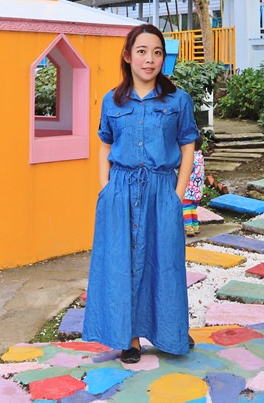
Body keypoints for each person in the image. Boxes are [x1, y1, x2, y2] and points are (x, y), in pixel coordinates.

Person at [82, 23, 199, 364]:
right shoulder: (112, 101)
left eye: (157, 52)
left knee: (165, 262)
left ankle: (170, 331)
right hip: (120, 189)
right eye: (142, 51)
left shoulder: (179, 100)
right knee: (121, 263)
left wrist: (177, 193)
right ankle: (129, 339)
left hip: (162, 189)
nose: (149, 60)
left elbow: (188, 145)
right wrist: (105, 188)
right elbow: (105, 143)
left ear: (164, 59)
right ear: (128, 56)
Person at [183, 136, 205, 236]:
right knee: (192, 208)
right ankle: (195, 226)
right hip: (197, 189)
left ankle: (189, 227)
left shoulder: (189, 156)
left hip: (188, 188)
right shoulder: (200, 156)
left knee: (186, 207)